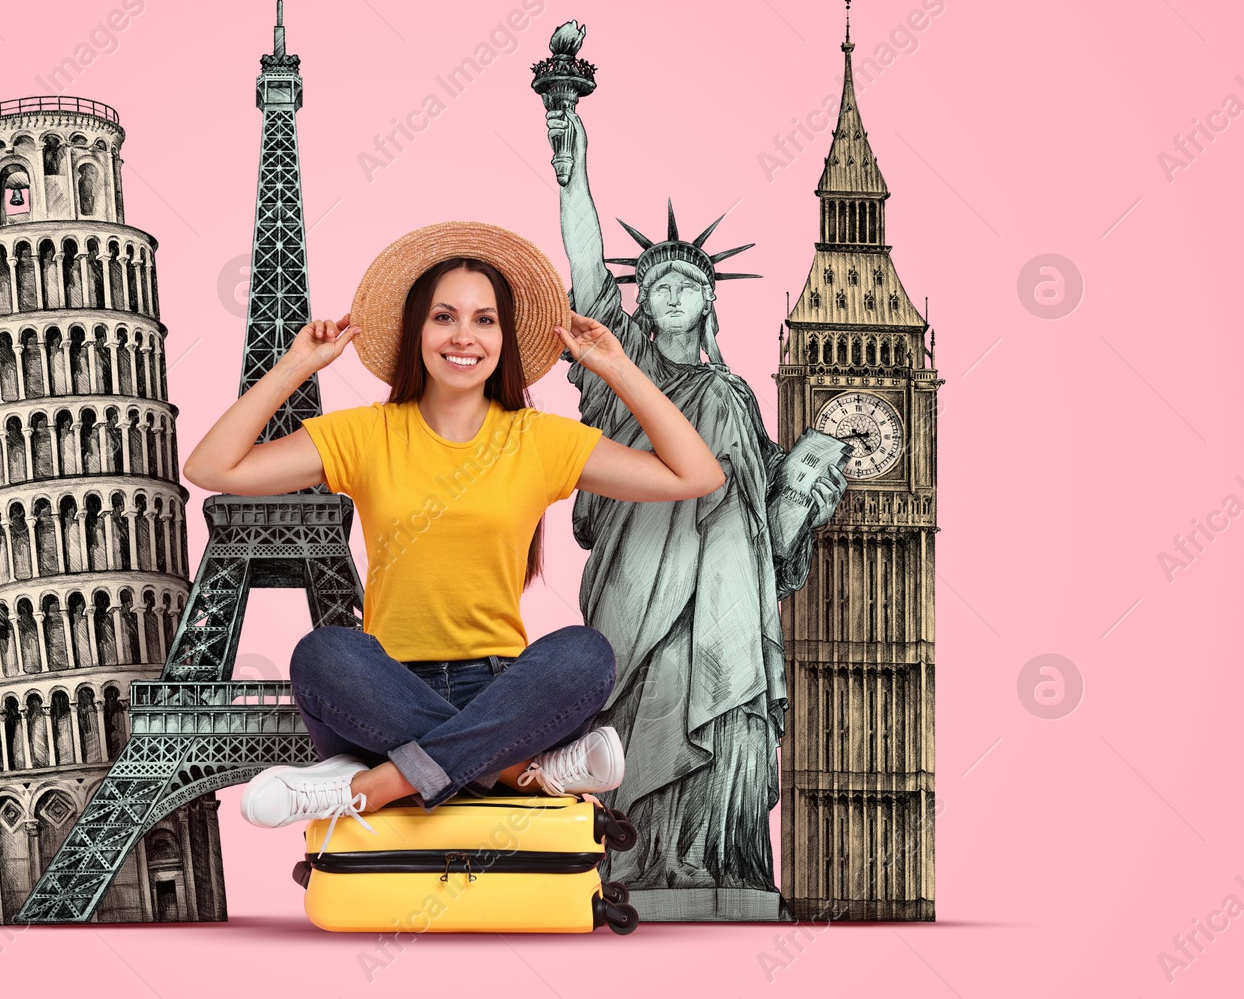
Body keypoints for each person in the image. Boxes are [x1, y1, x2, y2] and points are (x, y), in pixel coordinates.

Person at [182, 221, 727, 855]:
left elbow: (697, 473)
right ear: (418, 332)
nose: (463, 337)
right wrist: (296, 364)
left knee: (586, 654)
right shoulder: (364, 433)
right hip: (382, 694)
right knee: (323, 654)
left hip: (504, 690)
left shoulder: (540, 440)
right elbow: (211, 469)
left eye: (484, 320)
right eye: (444, 317)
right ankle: (508, 772)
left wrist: (617, 367)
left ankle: (374, 786)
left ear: (506, 338)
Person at [546, 104, 847, 893]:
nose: (673, 290)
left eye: (689, 282)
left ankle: (710, 859)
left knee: (715, 696)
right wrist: (574, 178)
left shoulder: (735, 396)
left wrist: (806, 494)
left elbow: (766, 518)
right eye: (656, 282)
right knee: (641, 692)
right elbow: (584, 282)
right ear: (639, 301)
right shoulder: (623, 375)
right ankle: (636, 856)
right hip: (636, 568)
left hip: (725, 591)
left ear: (711, 301)